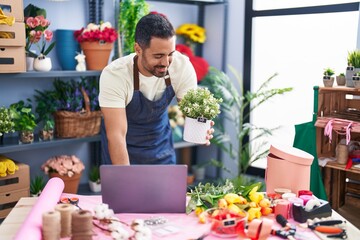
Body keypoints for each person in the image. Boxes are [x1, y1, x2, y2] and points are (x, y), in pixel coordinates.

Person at [99, 13, 213, 165]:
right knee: (125, 188)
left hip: (160, 148)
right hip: (122, 149)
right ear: (138, 49)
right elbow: (116, 136)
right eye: (158, 55)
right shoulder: (115, 74)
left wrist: (200, 127)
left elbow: (191, 111)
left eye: (170, 54)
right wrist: (125, 178)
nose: (166, 62)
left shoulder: (181, 66)